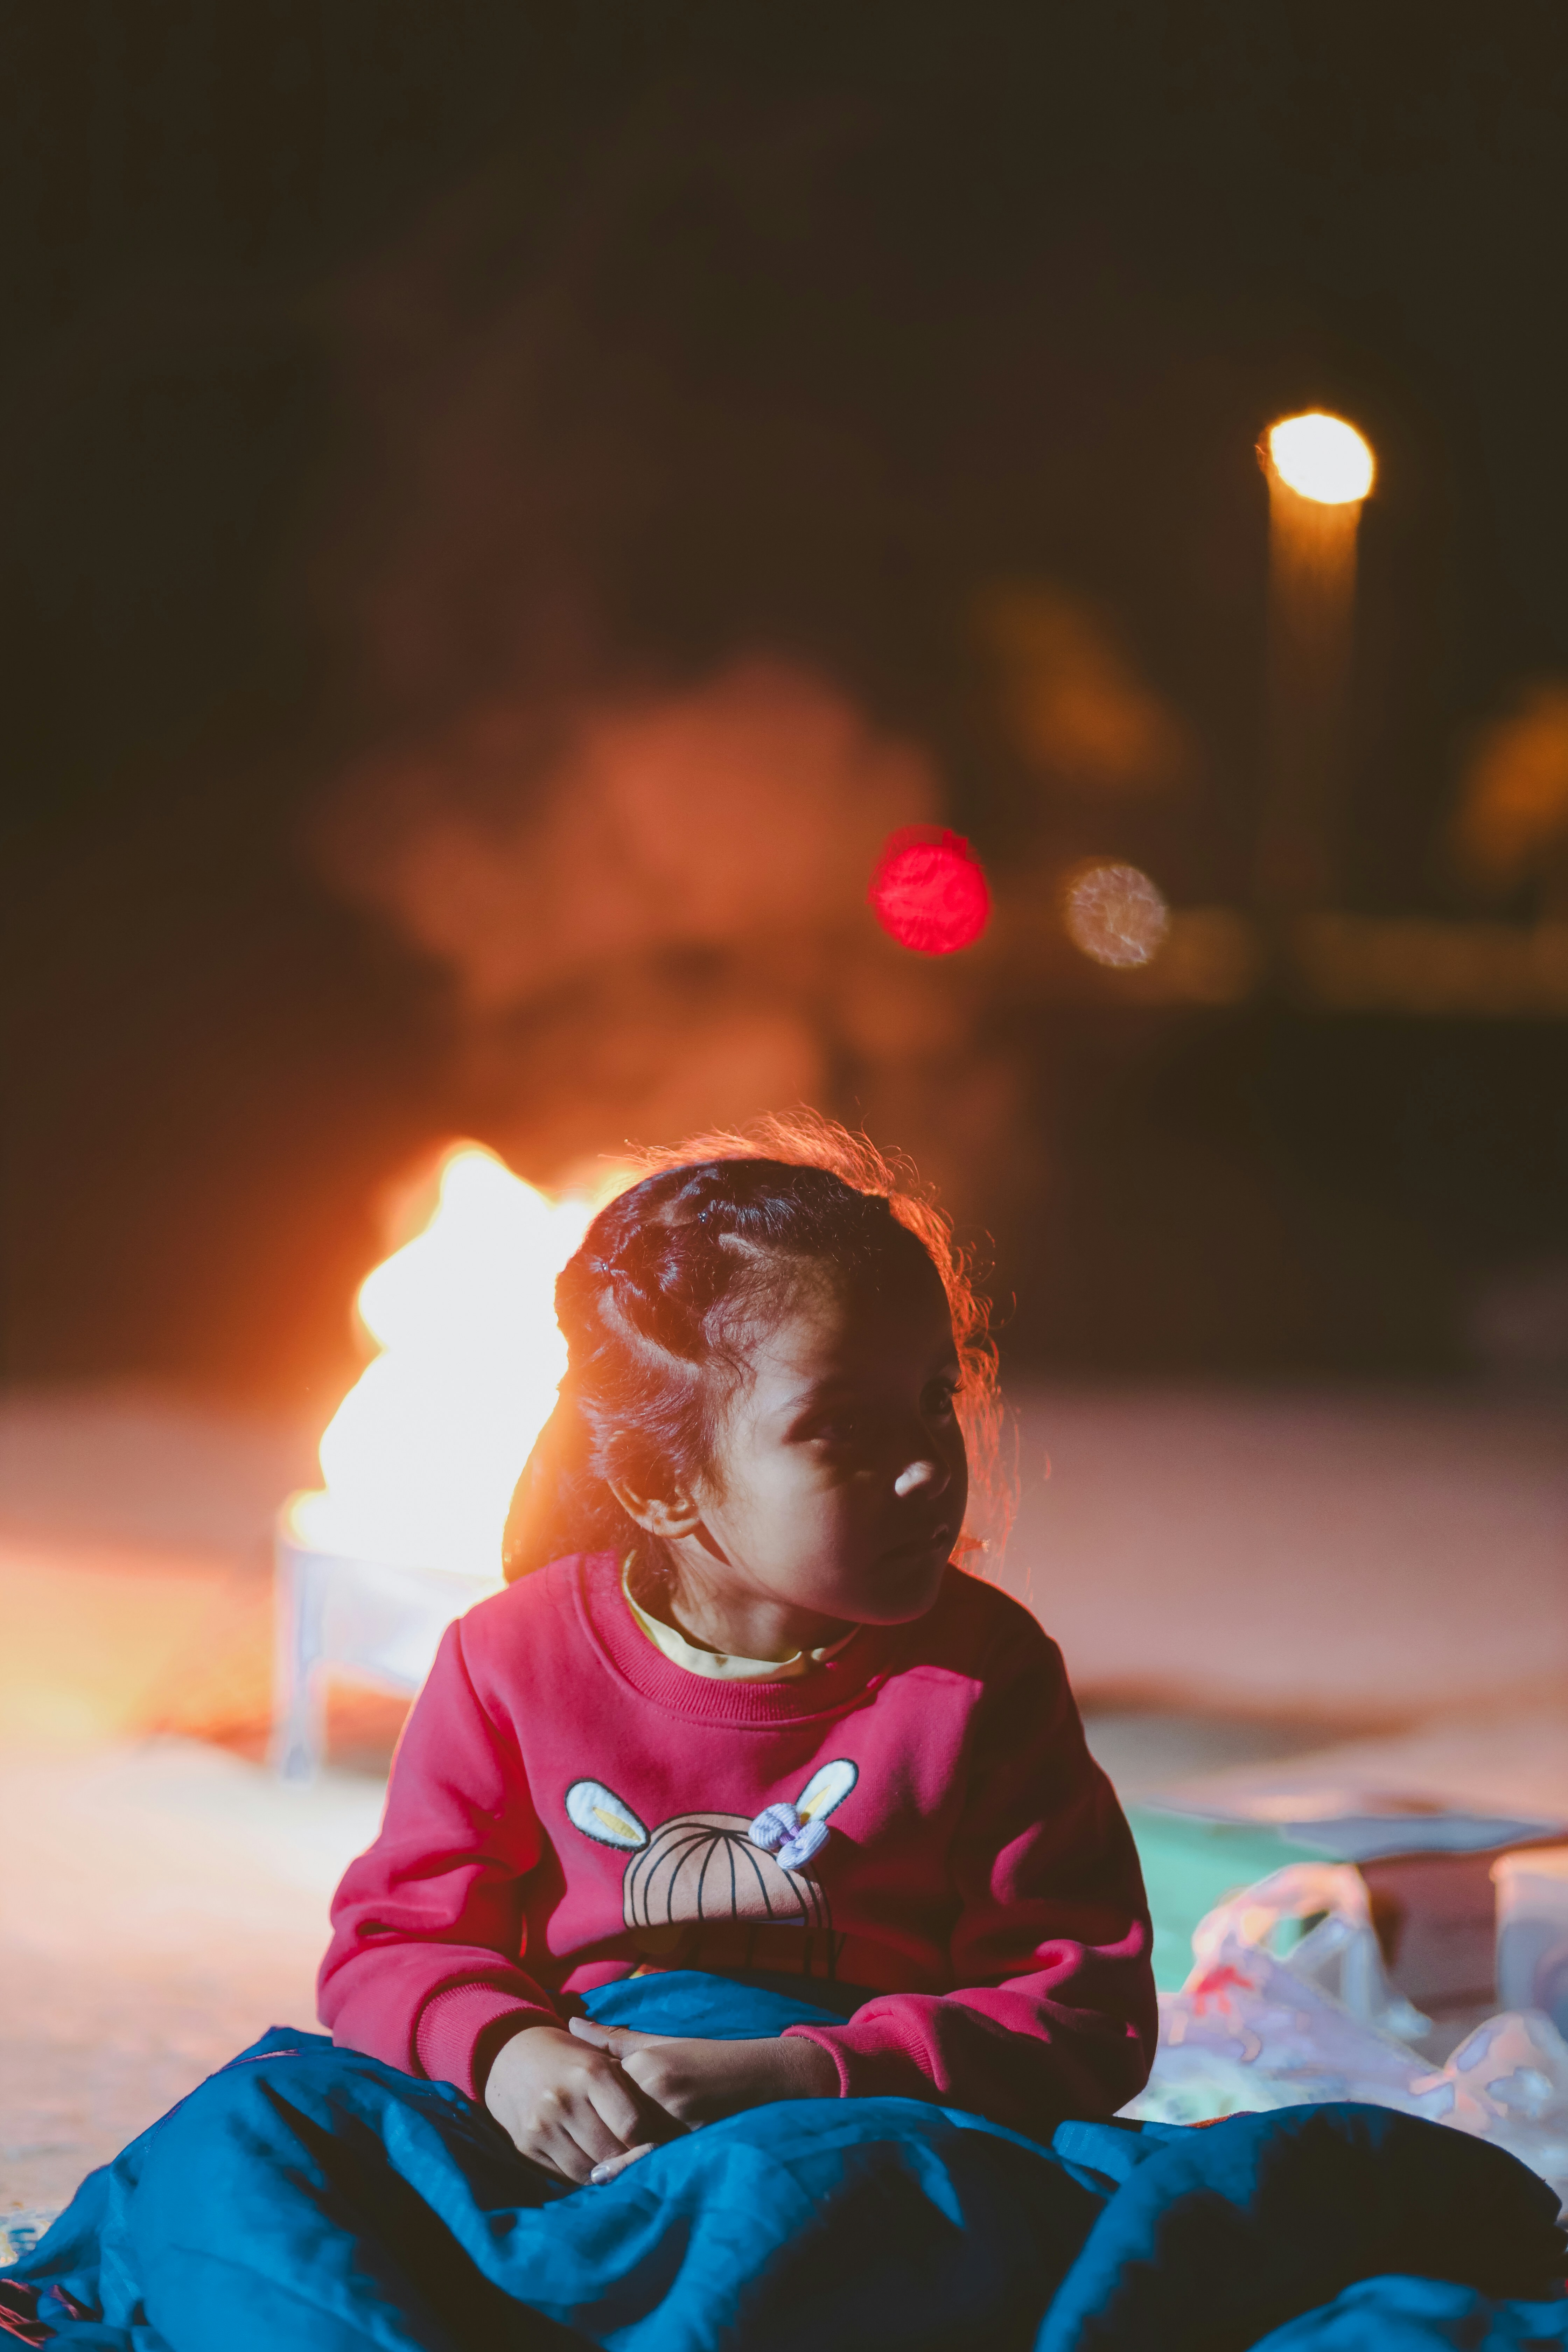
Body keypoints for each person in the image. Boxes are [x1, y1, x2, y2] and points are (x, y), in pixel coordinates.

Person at [318, 1116, 1157, 2185]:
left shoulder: (986, 1677)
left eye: (935, 1402)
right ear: (661, 1485)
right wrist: (507, 2053)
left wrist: (797, 2075)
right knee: (258, 2128)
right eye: (844, 1429)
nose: (926, 1470)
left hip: (855, 2143)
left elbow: (1086, 2011)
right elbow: (390, 1945)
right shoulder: (506, 1660)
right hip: (566, 2132)